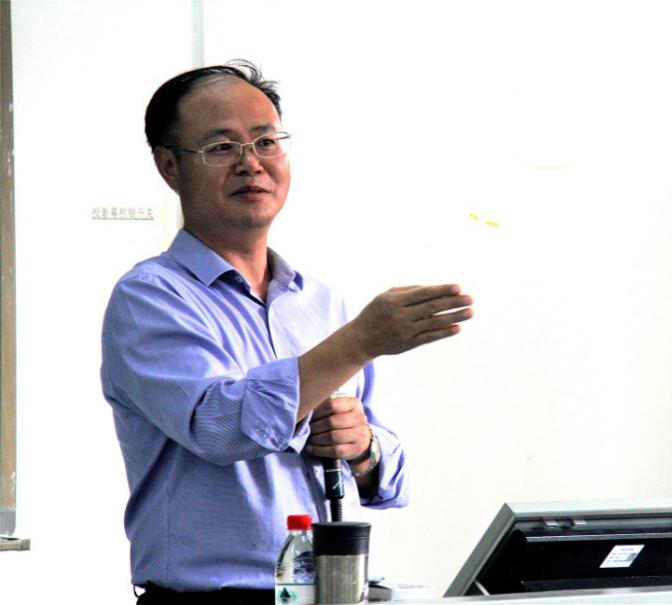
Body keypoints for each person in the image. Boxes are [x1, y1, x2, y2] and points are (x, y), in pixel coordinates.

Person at [100, 60, 473, 605]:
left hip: (330, 591)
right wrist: (359, 341)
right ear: (169, 167)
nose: (251, 163)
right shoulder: (151, 298)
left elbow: (390, 479)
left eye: (266, 142)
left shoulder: (319, 303)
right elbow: (219, 429)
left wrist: (363, 449)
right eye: (222, 147)